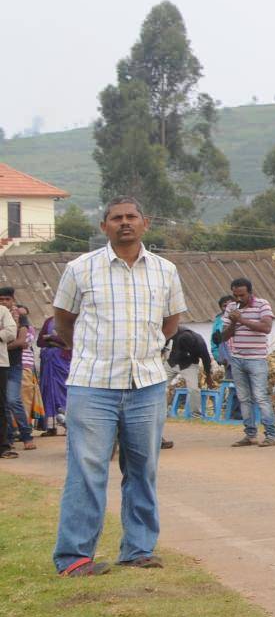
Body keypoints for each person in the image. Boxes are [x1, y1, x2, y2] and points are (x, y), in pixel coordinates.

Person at [50, 197, 187, 575]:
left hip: (147, 384)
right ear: (104, 227)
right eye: (116, 218)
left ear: (145, 223)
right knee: (87, 469)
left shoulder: (165, 271)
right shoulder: (80, 269)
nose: (124, 222)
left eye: (131, 217)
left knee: (143, 469)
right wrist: (89, 354)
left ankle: (138, 549)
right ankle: (75, 557)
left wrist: (145, 350)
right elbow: (63, 321)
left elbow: (171, 322)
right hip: (92, 385)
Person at [222, 278, 275, 447]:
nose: (238, 299)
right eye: (235, 295)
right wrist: (233, 321)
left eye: (242, 295)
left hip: (257, 359)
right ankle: (250, 434)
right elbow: (224, 336)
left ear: (250, 293)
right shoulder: (231, 307)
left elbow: (266, 327)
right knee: (244, 398)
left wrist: (241, 320)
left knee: (260, 397)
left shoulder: (262, 304)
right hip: (237, 358)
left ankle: (271, 435)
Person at [0, 288, 32, 450]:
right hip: (2, 363)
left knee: (13, 400)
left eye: (7, 299)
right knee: (3, 403)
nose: (4, 302)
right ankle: (8, 438)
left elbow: (21, 341)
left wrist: (3, 345)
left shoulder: (20, 316)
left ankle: (26, 435)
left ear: (13, 300)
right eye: (1, 299)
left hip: (13, 365)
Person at [165, 324, 216, 418]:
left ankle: (196, 414)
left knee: (193, 389)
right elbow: (165, 339)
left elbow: (206, 360)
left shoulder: (200, 343)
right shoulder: (176, 331)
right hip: (172, 362)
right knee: (161, 386)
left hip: (189, 365)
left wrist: (208, 377)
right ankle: (162, 412)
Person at [36, 313, 69, 435]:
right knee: (48, 391)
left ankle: (68, 425)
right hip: (49, 361)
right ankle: (51, 427)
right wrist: (55, 341)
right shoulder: (49, 321)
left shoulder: (71, 319)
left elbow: (70, 341)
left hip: (63, 361)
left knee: (63, 391)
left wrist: (51, 338)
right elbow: (40, 341)